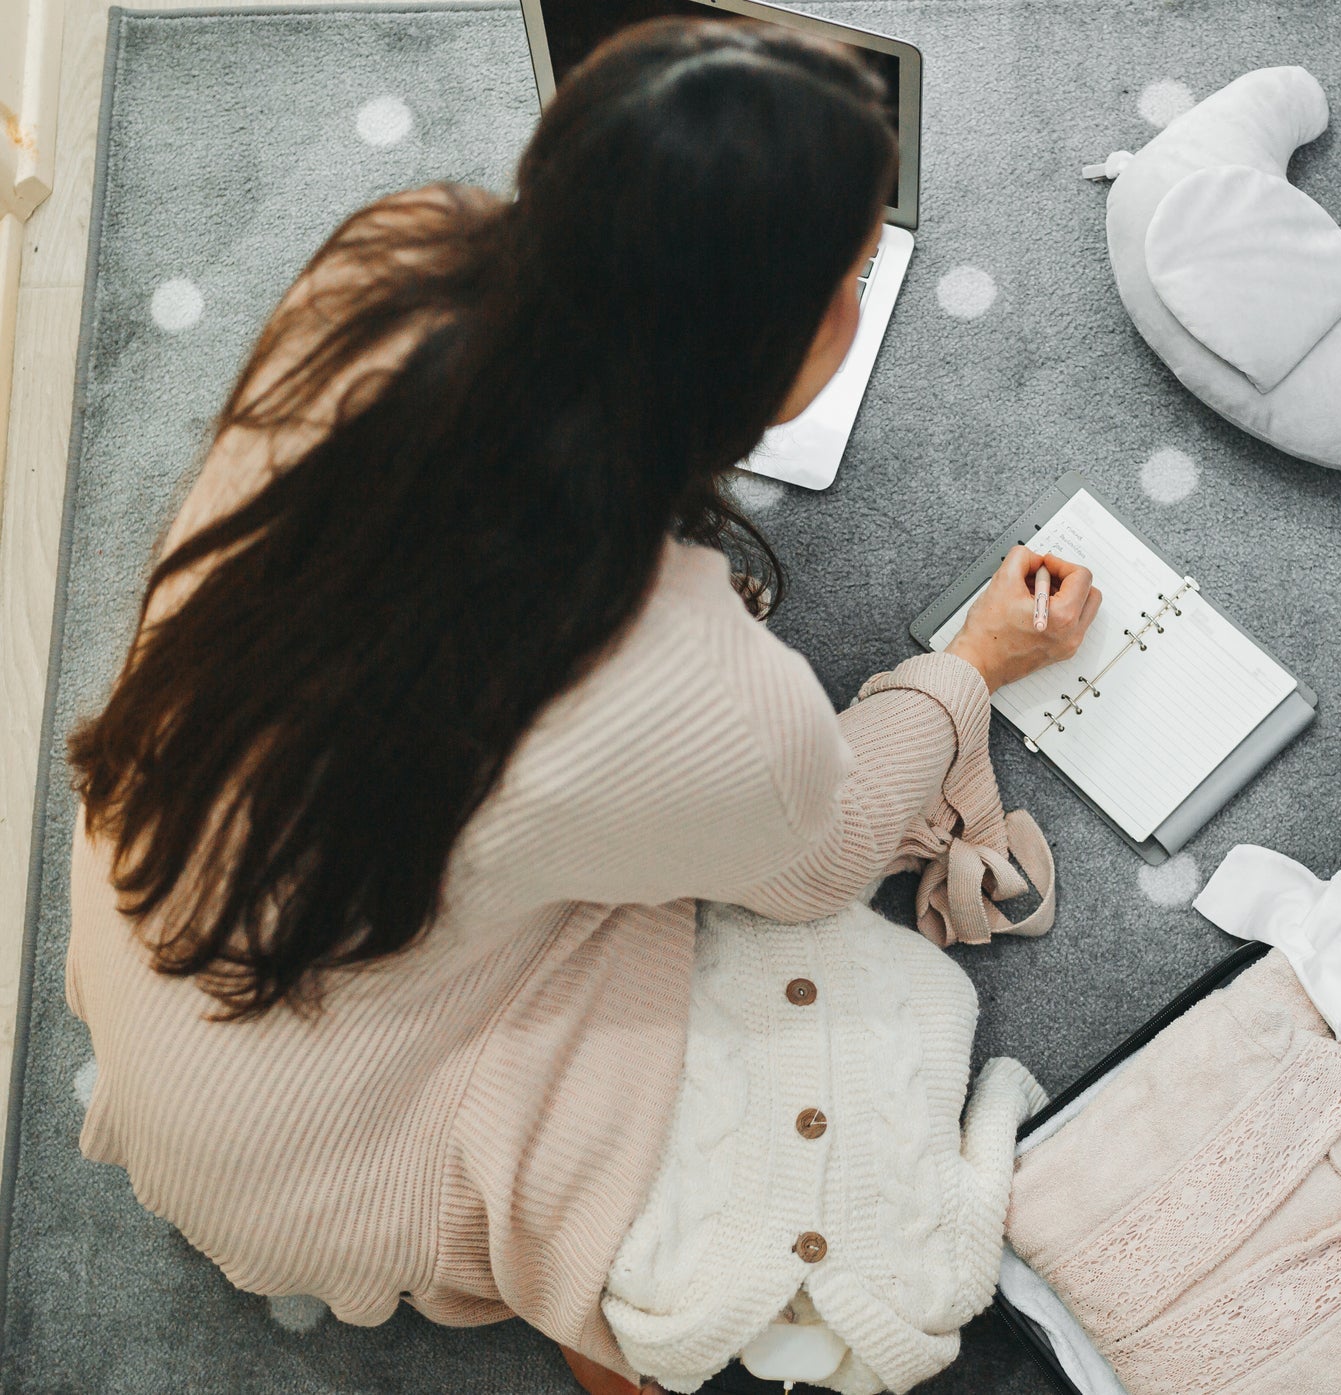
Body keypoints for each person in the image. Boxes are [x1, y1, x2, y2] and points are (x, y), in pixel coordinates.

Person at [63, 20, 1097, 1393]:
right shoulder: (702, 692)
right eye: (850, 276)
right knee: (815, 1073)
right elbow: (823, 860)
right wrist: (972, 662)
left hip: (162, 924)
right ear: (808, 344)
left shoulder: (383, 257)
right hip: (325, 1144)